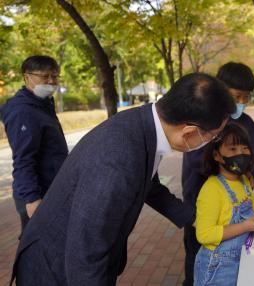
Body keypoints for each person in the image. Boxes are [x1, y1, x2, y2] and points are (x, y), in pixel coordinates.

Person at [11, 73, 236, 286]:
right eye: (213, 136)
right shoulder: (117, 159)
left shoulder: (145, 126)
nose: (212, 141)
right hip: (53, 268)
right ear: (187, 132)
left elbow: (149, 185)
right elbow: (86, 254)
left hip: (73, 256)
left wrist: (193, 218)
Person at [181, 62, 254, 286]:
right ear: (219, 90)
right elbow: (198, 161)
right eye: (237, 96)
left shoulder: (246, 123)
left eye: (246, 97)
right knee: (198, 273)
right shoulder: (202, 123)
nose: (242, 103)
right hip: (201, 218)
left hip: (238, 223)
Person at [194, 122, 254, 286]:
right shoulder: (212, 189)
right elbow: (204, 234)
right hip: (217, 268)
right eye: (232, 149)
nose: (240, 154)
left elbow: (252, 210)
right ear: (217, 155)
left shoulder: (243, 181)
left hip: (241, 259)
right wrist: (245, 226)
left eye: (244, 148)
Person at [1, 55, 68, 236]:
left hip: (51, 189)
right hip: (37, 195)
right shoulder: (23, 111)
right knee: (35, 248)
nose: (51, 81)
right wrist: (32, 199)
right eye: (44, 76)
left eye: (54, 76)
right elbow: (23, 160)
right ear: (26, 77)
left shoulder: (42, 104)